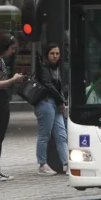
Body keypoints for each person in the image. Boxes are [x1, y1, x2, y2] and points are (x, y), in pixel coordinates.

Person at [0, 33, 24, 182]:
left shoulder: (0, 60)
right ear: (5, 47)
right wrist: (13, 80)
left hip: (2, 100)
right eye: (12, 48)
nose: (13, 52)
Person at [34, 43, 68, 176]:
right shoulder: (43, 68)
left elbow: (59, 87)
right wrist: (61, 101)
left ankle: (66, 163)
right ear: (47, 55)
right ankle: (42, 164)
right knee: (45, 134)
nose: (55, 56)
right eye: (52, 53)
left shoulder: (58, 69)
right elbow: (48, 85)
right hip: (46, 103)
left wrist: (60, 101)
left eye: (57, 53)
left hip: (55, 103)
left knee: (61, 135)